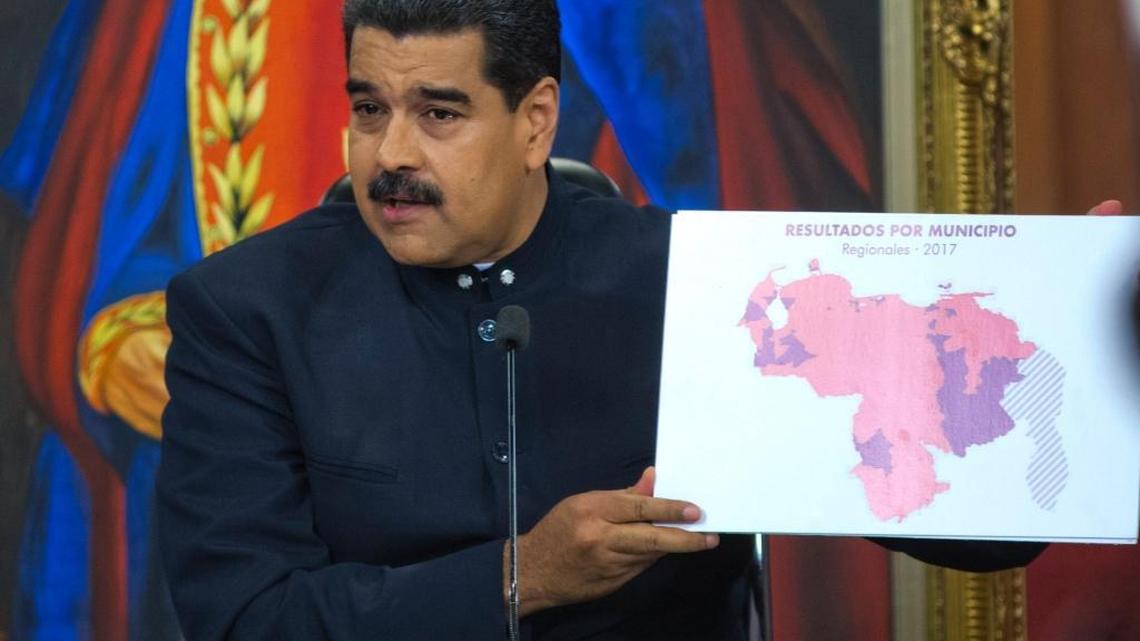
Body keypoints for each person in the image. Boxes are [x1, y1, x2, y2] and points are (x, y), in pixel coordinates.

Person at [156, 2, 1046, 639]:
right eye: (368, 110)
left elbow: (982, 530)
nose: (390, 154)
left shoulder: (700, 286)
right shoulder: (245, 310)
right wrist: (521, 577)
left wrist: (1061, 351)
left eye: (438, 114)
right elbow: (243, 615)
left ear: (536, 122)